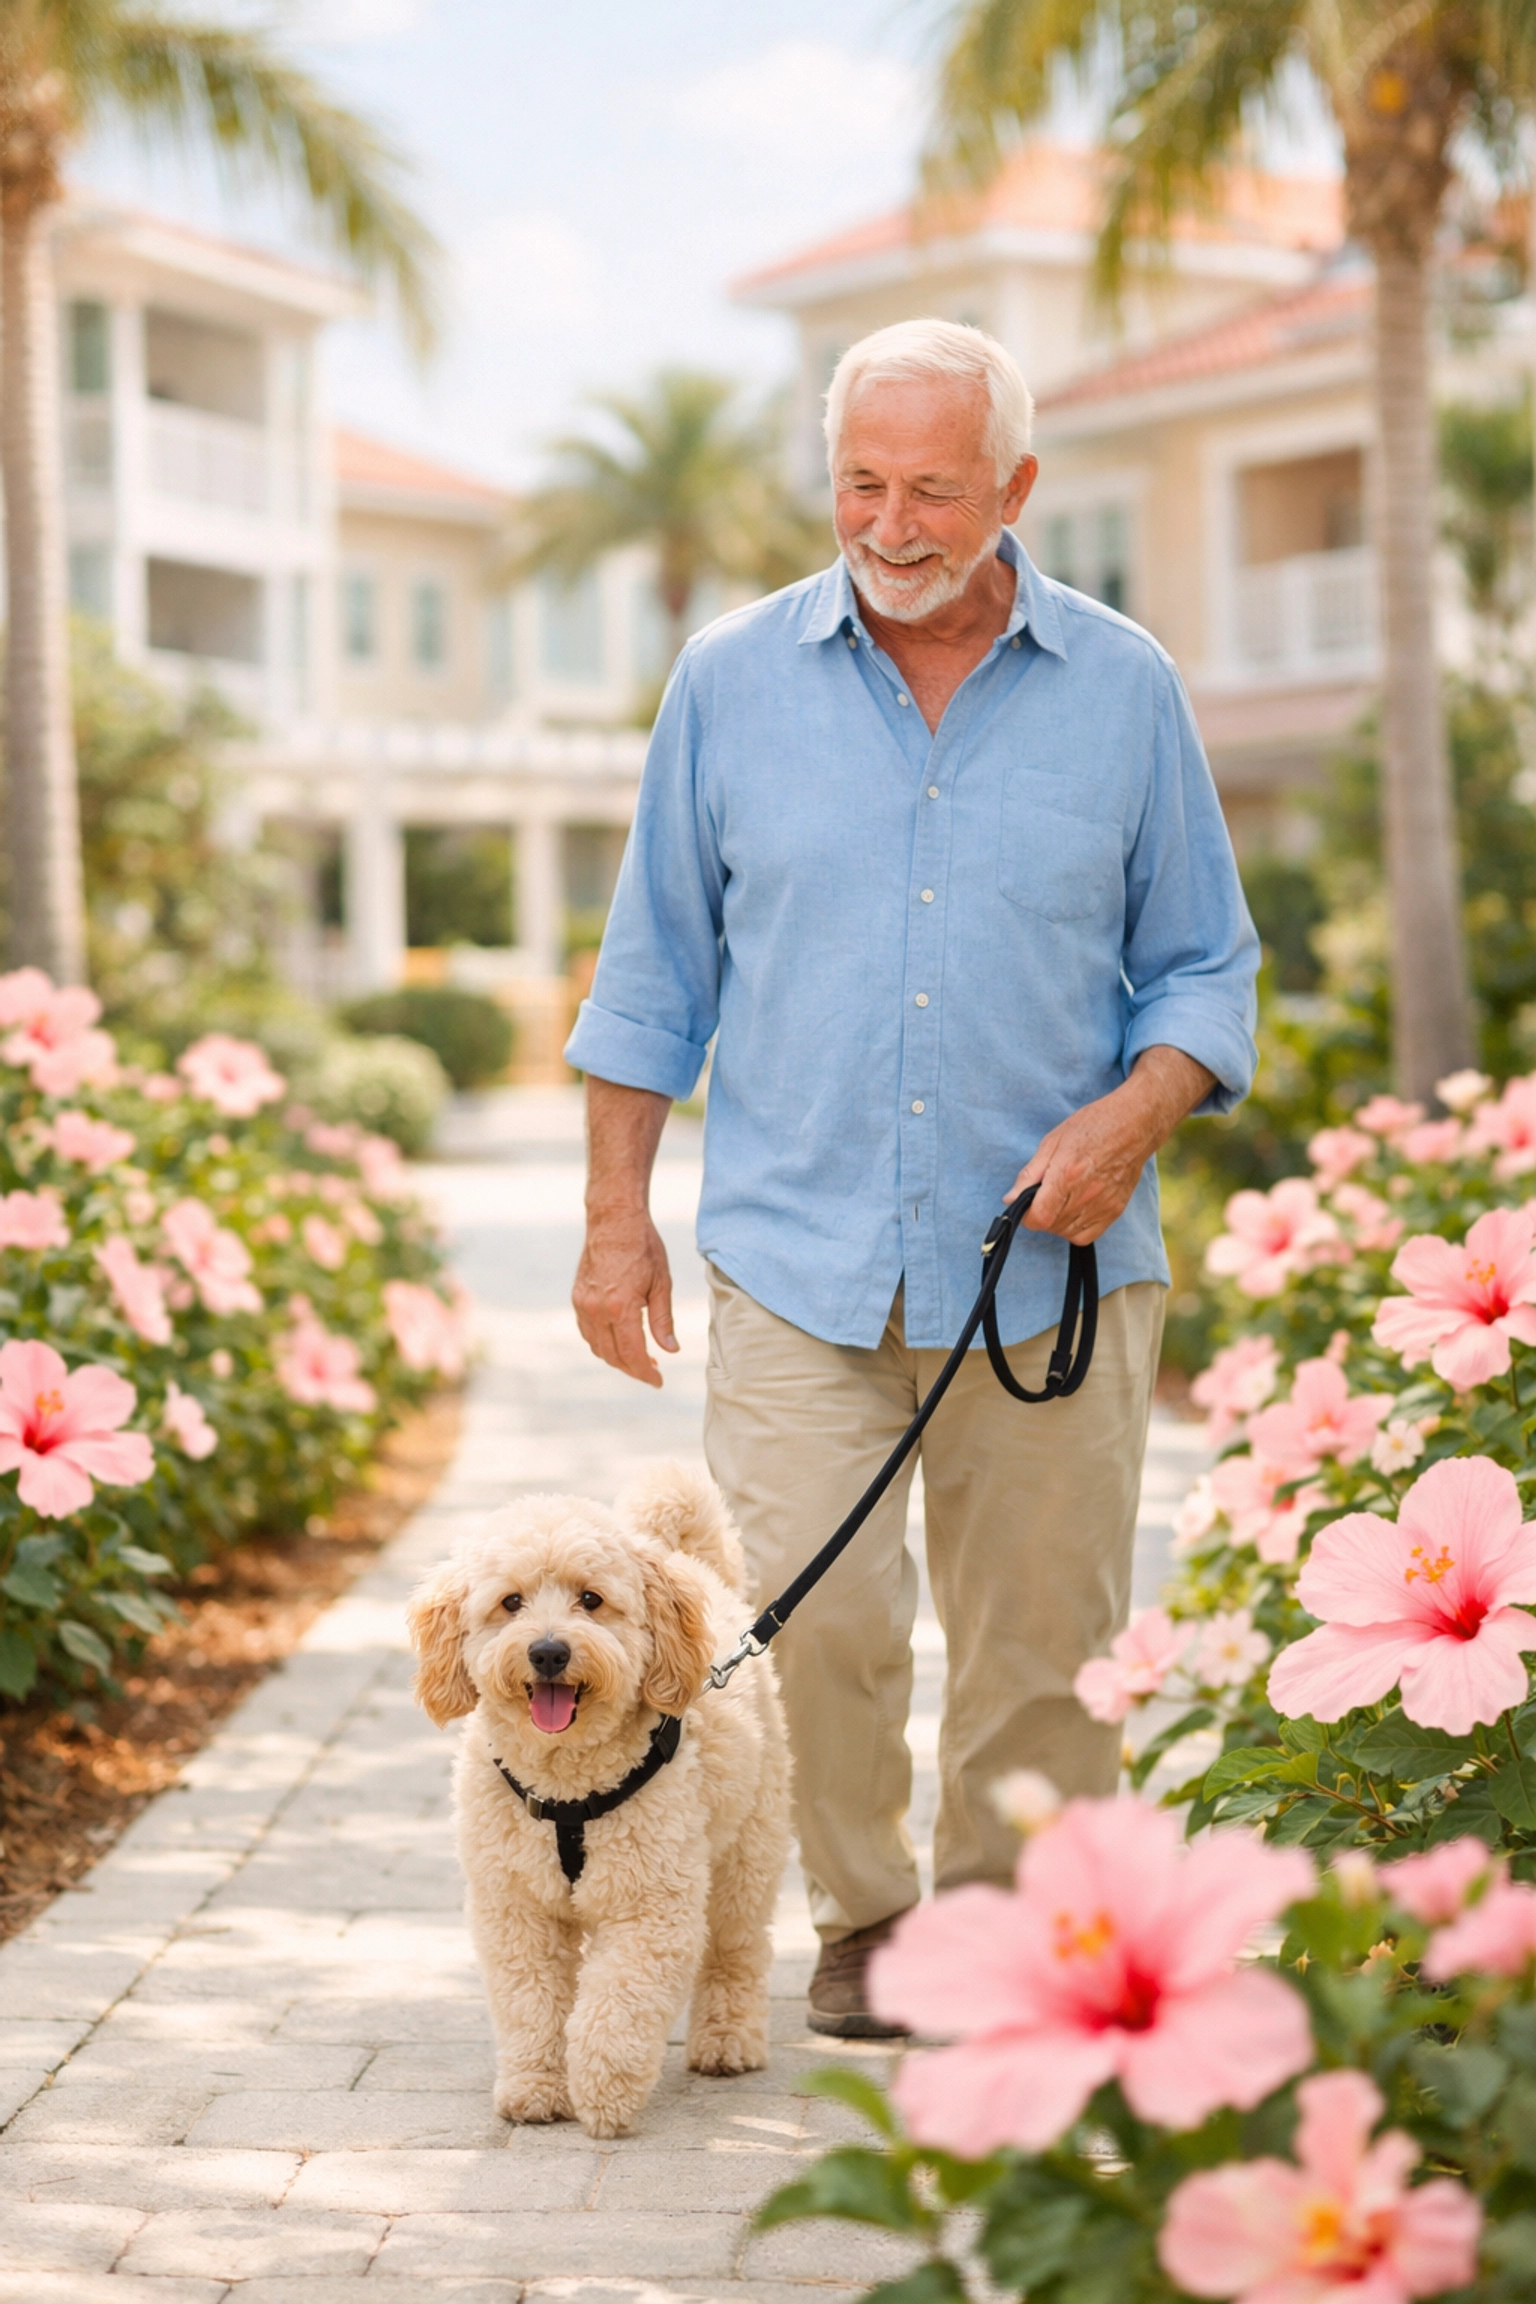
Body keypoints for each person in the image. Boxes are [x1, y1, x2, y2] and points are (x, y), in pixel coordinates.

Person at [565, 319, 1258, 2037]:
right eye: (860, 482)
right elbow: (653, 970)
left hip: (1056, 1275)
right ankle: (867, 1921)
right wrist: (607, 1220)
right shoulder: (728, 679)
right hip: (798, 1259)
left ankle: (1003, 1940)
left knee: (1043, 1645)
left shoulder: (1127, 689)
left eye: (934, 488)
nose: (890, 521)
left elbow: (1205, 966)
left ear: (1015, 488)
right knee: (814, 1621)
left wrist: (1135, 1115)